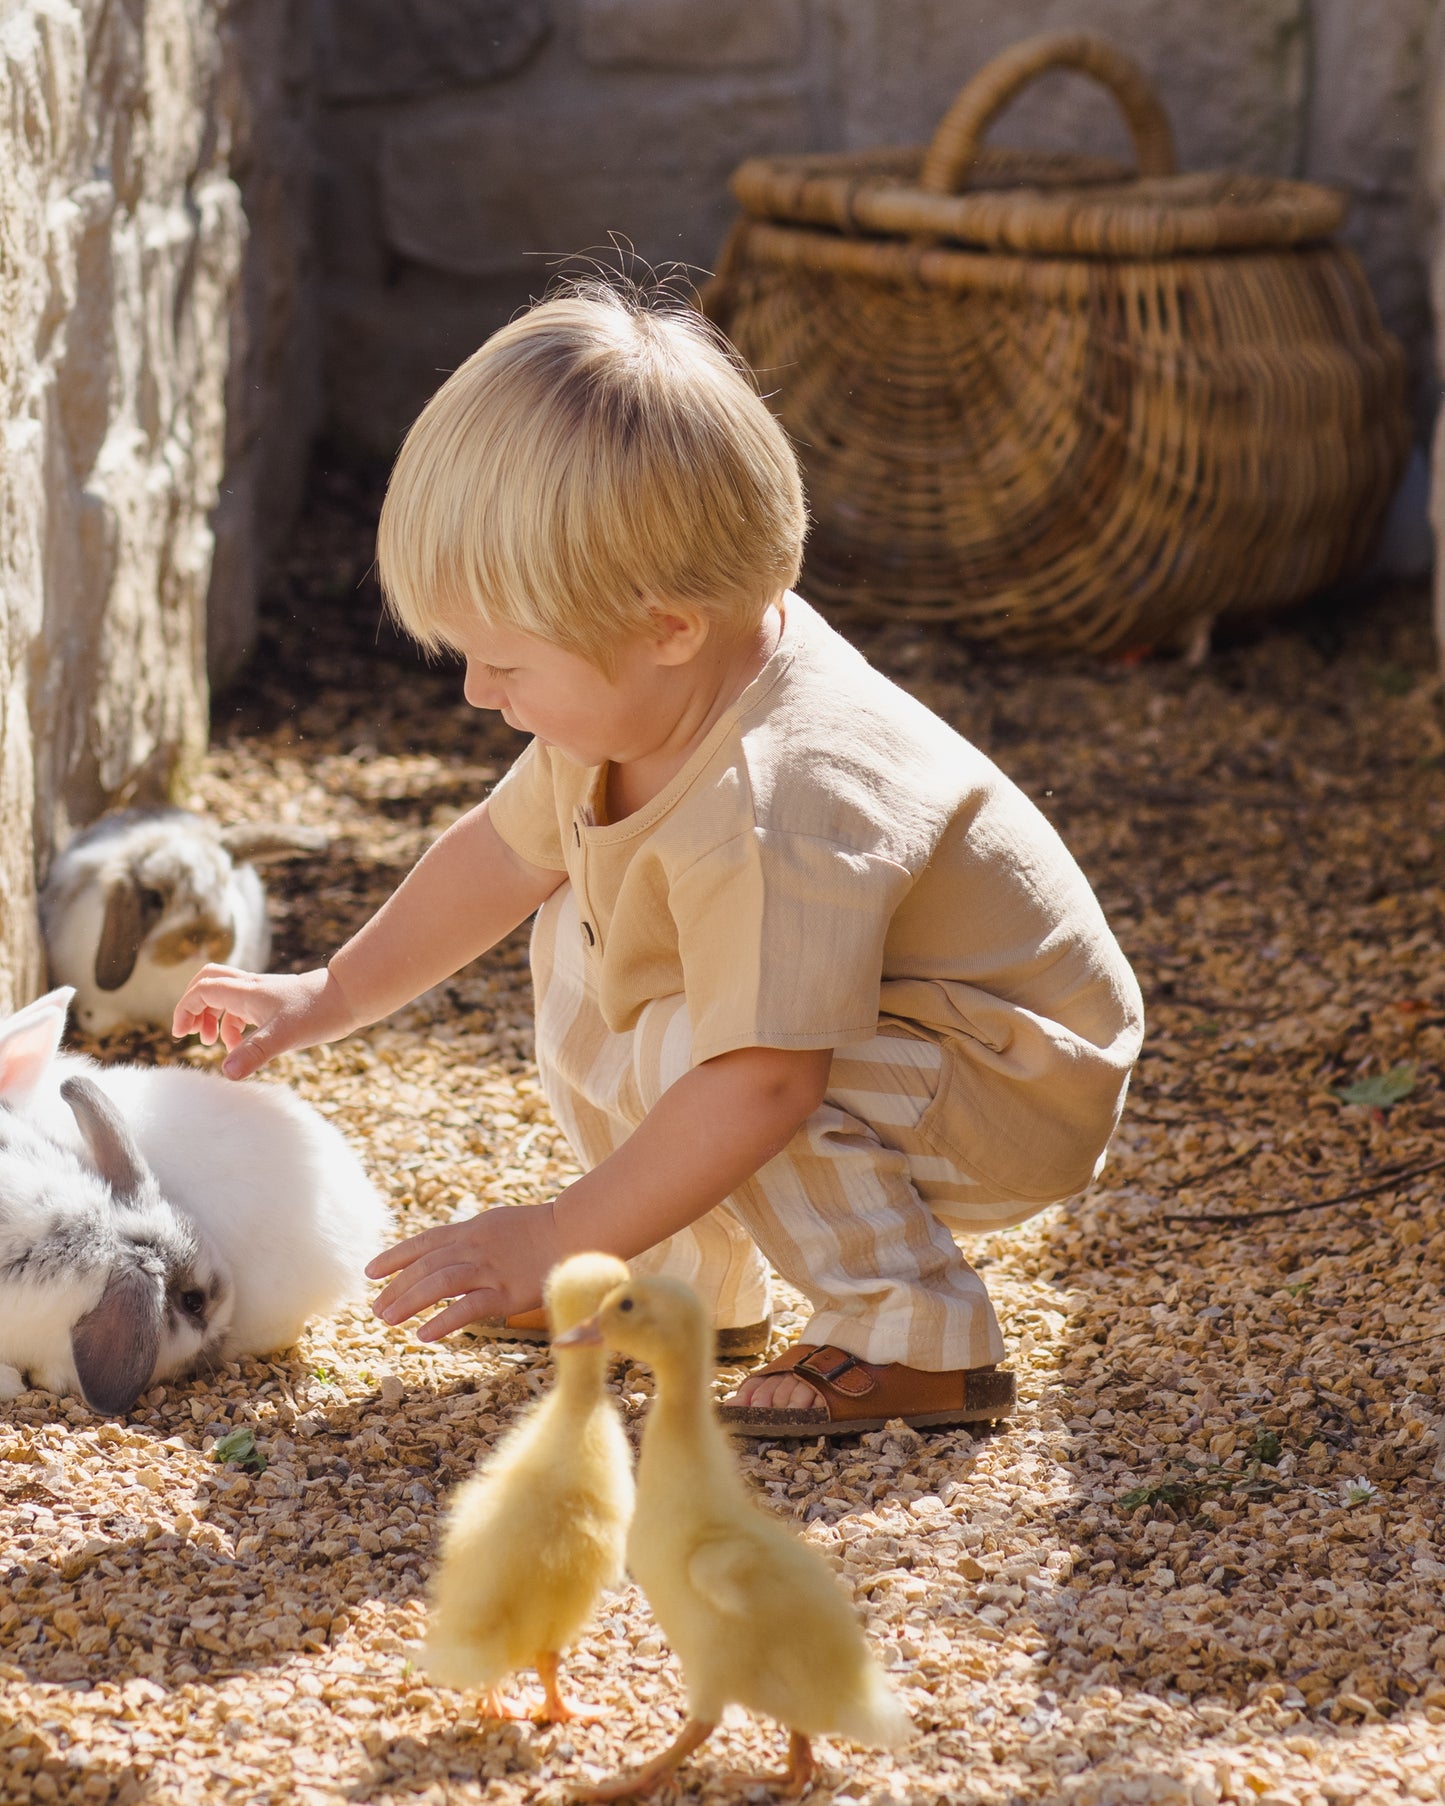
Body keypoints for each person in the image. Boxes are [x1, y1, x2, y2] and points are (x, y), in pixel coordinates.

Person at [173, 284, 1144, 1437]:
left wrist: (555, 1233)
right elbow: (498, 850)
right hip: (898, 1033)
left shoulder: (774, 803)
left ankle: (915, 1336)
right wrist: (330, 991)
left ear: (668, 626)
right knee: (587, 952)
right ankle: (690, 1284)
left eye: (507, 663)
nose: (481, 694)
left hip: (1008, 1085)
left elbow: (766, 1083)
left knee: (718, 1057)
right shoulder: (643, 698)